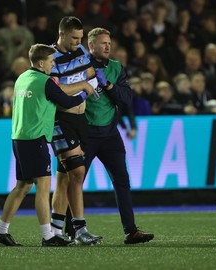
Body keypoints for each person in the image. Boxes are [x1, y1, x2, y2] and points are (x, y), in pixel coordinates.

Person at [0, 43, 93, 247]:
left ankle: (1, 230)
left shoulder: (22, 78)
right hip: (35, 138)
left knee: (23, 185)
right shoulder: (45, 81)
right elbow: (67, 102)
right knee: (43, 186)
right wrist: (84, 89)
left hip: (19, 137)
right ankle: (49, 236)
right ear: (40, 62)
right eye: (51, 61)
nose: (53, 65)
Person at [85, 27, 154, 244]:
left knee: (122, 181)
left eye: (109, 42)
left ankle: (130, 231)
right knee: (74, 182)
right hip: (85, 133)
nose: (107, 46)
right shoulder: (80, 67)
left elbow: (126, 98)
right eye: (103, 43)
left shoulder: (116, 67)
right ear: (91, 45)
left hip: (109, 135)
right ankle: (72, 229)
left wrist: (107, 84)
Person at [49, 16, 102, 245]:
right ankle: (80, 229)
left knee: (63, 178)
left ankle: (55, 231)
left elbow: (92, 77)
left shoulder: (80, 50)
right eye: (74, 38)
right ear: (62, 34)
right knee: (77, 173)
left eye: (80, 38)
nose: (78, 42)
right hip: (61, 120)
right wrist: (82, 89)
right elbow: (57, 93)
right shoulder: (51, 57)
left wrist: (86, 87)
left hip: (81, 119)